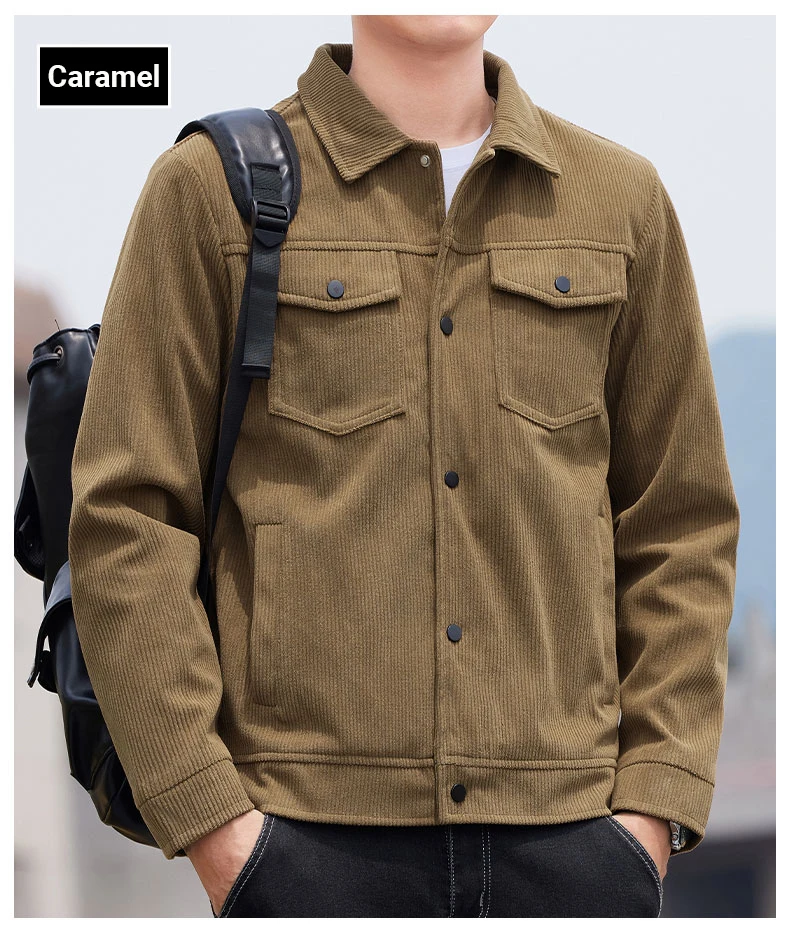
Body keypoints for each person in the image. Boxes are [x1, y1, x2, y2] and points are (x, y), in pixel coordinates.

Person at [68, 15, 740, 918]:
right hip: (303, 844)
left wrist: (652, 810)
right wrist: (214, 824)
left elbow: (682, 522)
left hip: (573, 844)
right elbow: (127, 518)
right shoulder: (207, 194)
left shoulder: (620, 202)